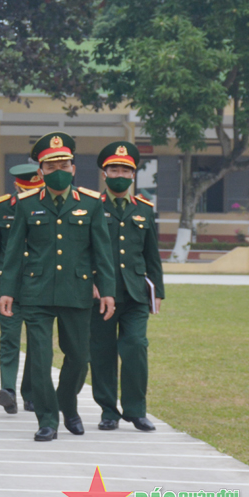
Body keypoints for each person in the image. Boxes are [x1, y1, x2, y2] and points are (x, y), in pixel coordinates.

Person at [0, 132, 116, 442]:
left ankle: (68, 404)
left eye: (63, 165)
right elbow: (13, 252)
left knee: (79, 357)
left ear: (73, 168)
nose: (58, 171)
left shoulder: (90, 203)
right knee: (40, 358)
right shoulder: (27, 204)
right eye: (51, 167)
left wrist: (107, 290)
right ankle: (47, 419)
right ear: (41, 171)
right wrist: (6, 290)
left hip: (76, 290)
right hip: (36, 291)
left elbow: (102, 252)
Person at [91, 142, 163, 432]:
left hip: (135, 293)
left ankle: (136, 410)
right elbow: (82, 250)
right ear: (104, 173)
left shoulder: (144, 209)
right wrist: (91, 283)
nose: (119, 175)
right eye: (114, 170)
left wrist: (157, 291)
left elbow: (152, 254)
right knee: (103, 353)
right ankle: (108, 411)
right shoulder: (92, 207)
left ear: (133, 175)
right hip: (101, 294)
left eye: (125, 170)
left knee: (135, 347)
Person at [0, 163, 44, 414]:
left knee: (37, 342)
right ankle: (7, 389)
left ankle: (30, 393)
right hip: (7, 283)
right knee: (9, 338)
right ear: (16, 187)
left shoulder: (46, 207)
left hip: (38, 283)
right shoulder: (1, 208)